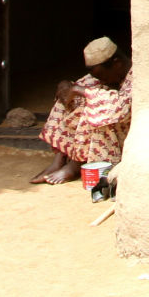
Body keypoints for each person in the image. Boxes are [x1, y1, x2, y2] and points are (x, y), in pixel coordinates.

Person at [28, 36, 133, 185]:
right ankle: (60, 158)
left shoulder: (137, 75)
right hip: (113, 122)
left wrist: (80, 90)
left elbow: (122, 107)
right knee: (72, 94)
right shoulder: (111, 75)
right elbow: (80, 86)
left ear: (116, 64)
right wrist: (66, 87)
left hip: (125, 133)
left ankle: (75, 165)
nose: (101, 80)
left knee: (97, 108)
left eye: (102, 76)